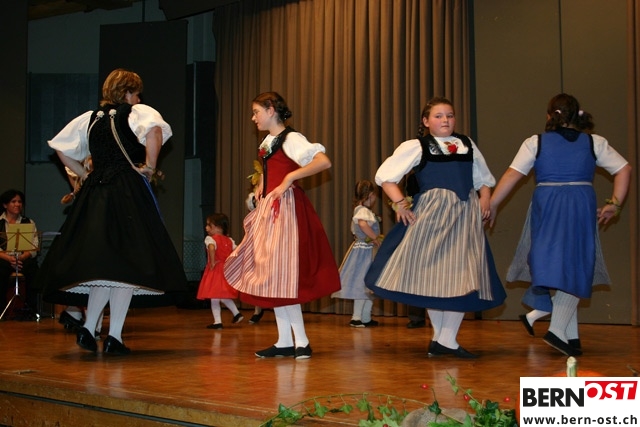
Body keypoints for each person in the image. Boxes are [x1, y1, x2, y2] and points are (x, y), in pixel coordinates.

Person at [37, 68, 188, 355]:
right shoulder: (137, 113)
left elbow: (60, 148)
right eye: (137, 93)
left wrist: (84, 174)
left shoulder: (90, 119)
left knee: (104, 267)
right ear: (128, 92)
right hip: (126, 192)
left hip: (95, 195)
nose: (139, 98)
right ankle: (114, 336)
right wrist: (150, 167)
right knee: (128, 265)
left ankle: (90, 326)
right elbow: (155, 132)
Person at [489, 93, 631, 357]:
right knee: (574, 265)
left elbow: (512, 174)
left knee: (558, 264)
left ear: (549, 116)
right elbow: (624, 168)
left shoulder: (535, 143)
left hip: (548, 205)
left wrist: (493, 204)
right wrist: (615, 203)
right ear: (578, 115)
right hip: (579, 204)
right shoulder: (594, 142)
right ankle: (560, 332)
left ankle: (564, 333)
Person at [364, 96, 506, 358]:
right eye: (439, 116)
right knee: (434, 278)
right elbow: (385, 177)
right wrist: (400, 204)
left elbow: (483, 179)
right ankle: (442, 340)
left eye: (450, 115)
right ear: (426, 121)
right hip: (432, 216)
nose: (445, 120)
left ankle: (444, 340)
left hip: (464, 216)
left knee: (461, 275)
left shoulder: (466, 144)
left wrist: (485, 199)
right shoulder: (417, 146)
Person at [224, 91, 341, 359]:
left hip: (285, 211)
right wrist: (261, 186)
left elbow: (323, 162)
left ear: (271, 110)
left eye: (256, 112)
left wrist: (289, 178)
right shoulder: (269, 141)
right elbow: (271, 171)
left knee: (283, 276)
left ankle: (302, 341)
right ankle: (285, 341)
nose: (253, 118)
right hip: (271, 210)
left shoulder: (291, 138)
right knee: (273, 277)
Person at [332, 180, 382, 327]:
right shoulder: (363, 211)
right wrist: (375, 238)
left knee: (368, 285)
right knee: (362, 284)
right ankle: (357, 317)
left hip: (366, 250)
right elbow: (362, 224)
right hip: (364, 252)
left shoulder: (361, 210)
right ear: (370, 195)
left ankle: (365, 317)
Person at [196, 213, 244, 329]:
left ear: (218, 227)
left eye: (209, 225)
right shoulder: (229, 240)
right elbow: (237, 251)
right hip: (226, 271)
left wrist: (212, 262)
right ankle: (236, 314)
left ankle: (218, 322)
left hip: (216, 270)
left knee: (214, 297)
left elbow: (212, 248)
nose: (206, 228)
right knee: (222, 295)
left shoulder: (210, 239)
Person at [0, 189, 39, 316]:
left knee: (33, 271)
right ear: (5, 205)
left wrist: (22, 257)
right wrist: (8, 258)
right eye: (13, 201)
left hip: (23, 258)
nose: (17, 204)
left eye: (19, 202)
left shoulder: (29, 222)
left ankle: (30, 310)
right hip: (4, 259)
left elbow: (34, 245)